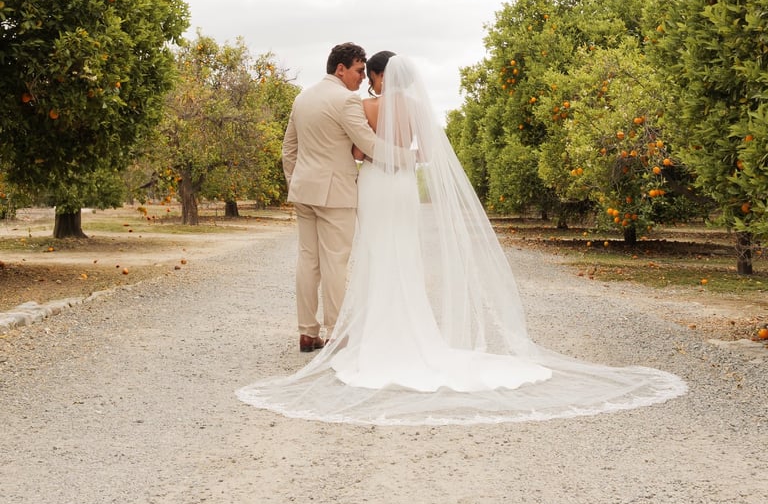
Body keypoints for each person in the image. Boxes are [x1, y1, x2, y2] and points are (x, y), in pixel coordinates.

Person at [239, 53, 686, 425]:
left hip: (367, 186)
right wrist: (407, 158)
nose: (364, 81)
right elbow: (428, 155)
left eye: (367, 74)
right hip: (400, 188)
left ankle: (329, 332)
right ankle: (383, 331)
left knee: (349, 257)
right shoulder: (412, 108)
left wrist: (300, 178)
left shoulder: (353, 105)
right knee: (397, 257)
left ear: (376, 75)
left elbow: (354, 151)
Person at [281, 42, 377, 352]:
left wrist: (295, 182)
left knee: (308, 261)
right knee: (336, 262)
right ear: (341, 69)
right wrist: (407, 157)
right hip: (335, 193)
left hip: (304, 192)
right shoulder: (346, 100)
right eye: (359, 71)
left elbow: (288, 150)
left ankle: (307, 333)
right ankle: (336, 333)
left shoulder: (302, 98)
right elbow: (368, 144)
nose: (362, 78)